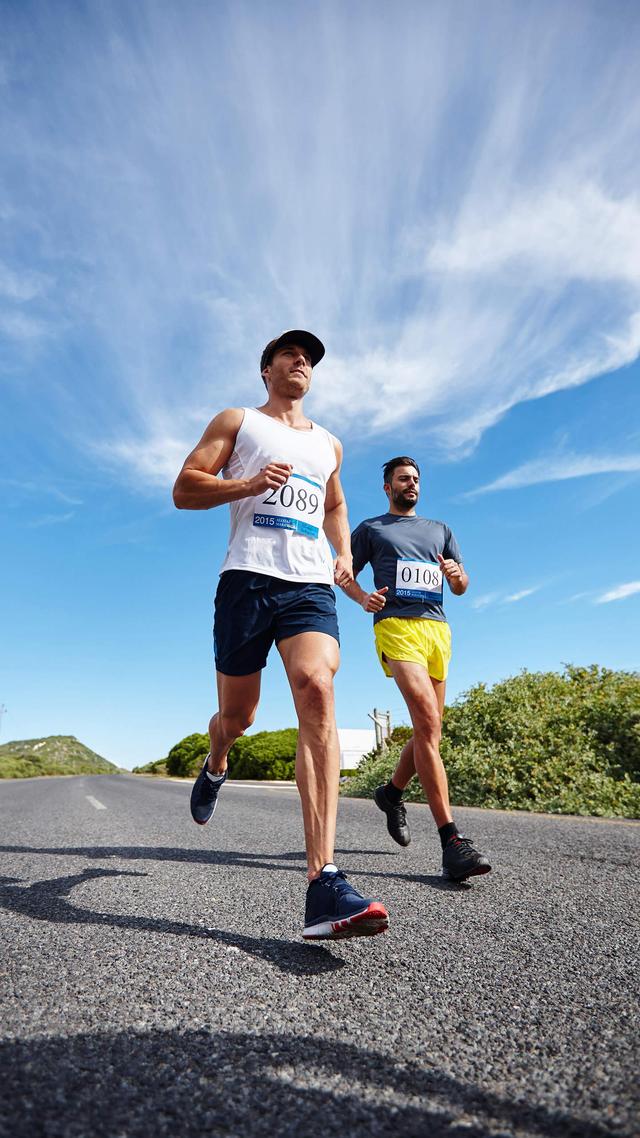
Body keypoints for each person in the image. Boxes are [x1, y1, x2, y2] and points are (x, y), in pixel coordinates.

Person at [173, 330, 389, 939]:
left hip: (308, 586)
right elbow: (185, 487)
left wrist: (342, 552)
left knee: (317, 685)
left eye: (310, 358)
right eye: (291, 354)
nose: (303, 363)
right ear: (266, 369)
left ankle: (323, 881)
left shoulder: (329, 445)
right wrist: (246, 483)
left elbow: (335, 506)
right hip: (246, 581)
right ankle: (217, 759)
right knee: (237, 716)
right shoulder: (238, 421)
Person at [341, 456, 491, 883]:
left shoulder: (440, 530)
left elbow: (461, 586)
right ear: (387, 487)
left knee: (431, 730)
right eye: (404, 479)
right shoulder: (372, 529)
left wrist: (457, 574)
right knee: (426, 721)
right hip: (396, 626)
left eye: (416, 479)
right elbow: (343, 573)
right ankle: (452, 842)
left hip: (437, 629)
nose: (412, 484)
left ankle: (391, 793)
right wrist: (362, 598)